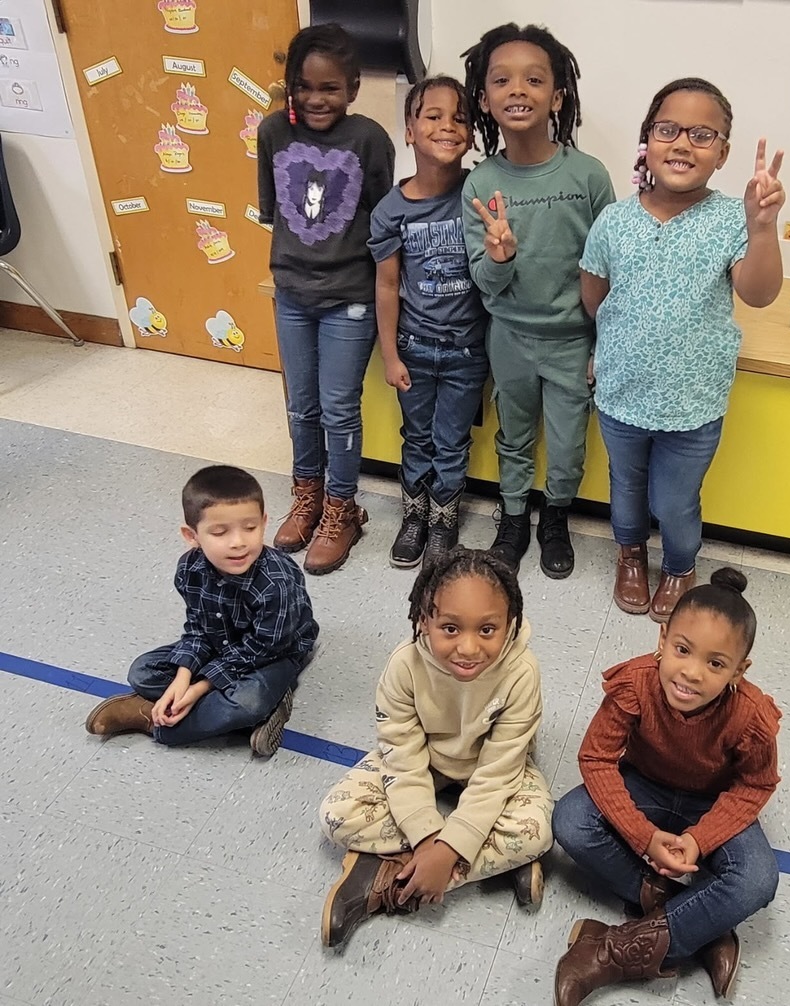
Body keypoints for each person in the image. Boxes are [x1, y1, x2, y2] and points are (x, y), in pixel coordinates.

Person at [580, 78, 785, 619]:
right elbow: (594, 296)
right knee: (625, 487)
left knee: (674, 500)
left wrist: (763, 226)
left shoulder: (731, 221)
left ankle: (677, 565)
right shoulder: (615, 221)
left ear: (722, 153)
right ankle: (629, 553)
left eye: (702, 134)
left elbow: (759, 294)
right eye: (668, 129)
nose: (682, 144)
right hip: (622, 393)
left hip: (692, 402)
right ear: (647, 140)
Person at [551, 568, 780, 1004]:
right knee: (570, 819)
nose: (691, 673)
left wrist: (700, 838)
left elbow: (755, 785)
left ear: (739, 670)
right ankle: (701, 922)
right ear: (662, 641)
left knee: (758, 881)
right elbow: (596, 758)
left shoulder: (751, 716)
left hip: (711, 804)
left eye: (715, 663)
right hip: (645, 787)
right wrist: (645, 837)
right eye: (682, 650)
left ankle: (609, 952)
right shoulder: (635, 683)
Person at [317, 547, 553, 949]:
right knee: (337, 816)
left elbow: (499, 774)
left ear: (510, 623)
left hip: (492, 768)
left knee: (536, 833)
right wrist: (430, 840)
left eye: (487, 630)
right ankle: (483, 865)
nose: (468, 648)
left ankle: (386, 879)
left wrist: (447, 850)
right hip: (425, 762)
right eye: (450, 628)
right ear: (425, 620)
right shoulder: (404, 666)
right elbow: (402, 757)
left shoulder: (522, 673)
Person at [461, 23, 614, 578]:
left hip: (574, 341)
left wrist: (603, 345)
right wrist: (499, 257)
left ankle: (556, 516)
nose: (517, 89)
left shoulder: (588, 175)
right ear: (484, 99)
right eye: (501, 80)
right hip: (510, 338)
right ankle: (513, 515)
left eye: (533, 78)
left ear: (558, 95)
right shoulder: (480, 182)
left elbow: (610, 270)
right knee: (514, 434)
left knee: (570, 446)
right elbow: (484, 281)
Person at [258, 23, 396, 575]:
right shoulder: (272, 133)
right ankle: (307, 497)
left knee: (339, 408)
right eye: (305, 87)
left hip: (350, 298)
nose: (317, 99)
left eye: (331, 88)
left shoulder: (368, 139)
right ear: (291, 85)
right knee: (301, 407)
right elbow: (274, 211)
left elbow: (385, 218)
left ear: (354, 88)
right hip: (292, 293)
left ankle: (342, 508)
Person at [85, 466, 319, 757]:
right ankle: (230, 713)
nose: (238, 542)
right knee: (142, 672)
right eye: (220, 532)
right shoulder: (189, 569)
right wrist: (184, 675)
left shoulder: (277, 582)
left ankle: (149, 720)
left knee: (248, 702)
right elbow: (198, 627)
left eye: (250, 528)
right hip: (220, 643)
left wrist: (198, 688)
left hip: (274, 654)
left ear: (264, 522)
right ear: (191, 535)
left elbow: (265, 647)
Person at [369, 75, 488, 570]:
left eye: (460, 118)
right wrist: (391, 354)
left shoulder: (479, 192)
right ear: (410, 130)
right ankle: (414, 515)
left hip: (466, 352)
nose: (447, 126)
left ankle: (444, 519)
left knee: (451, 439)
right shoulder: (391, 210)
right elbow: (387, 286)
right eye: (433, 116)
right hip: (413, 348)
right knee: (416, 436)